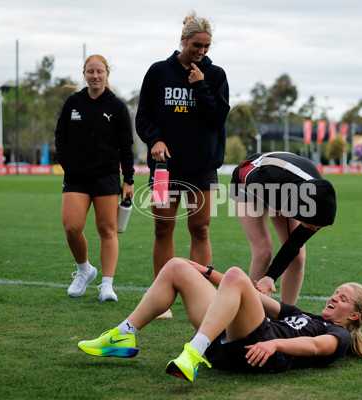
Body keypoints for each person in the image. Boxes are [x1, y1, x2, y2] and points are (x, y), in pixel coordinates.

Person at [77, 257, 362, 381]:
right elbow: (251, 295)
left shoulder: (340, 336)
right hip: (229, 342)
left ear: (355, 315)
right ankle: (123, 334)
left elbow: (318, 347)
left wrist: (275, 345)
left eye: (342, 298)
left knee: (237, 275)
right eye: (336, 292)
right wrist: (205, 271)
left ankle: (193, 353)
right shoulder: (306, 315)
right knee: (176, 267)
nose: (333, 298)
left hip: (259, 350)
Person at [135, 11, 230, 317]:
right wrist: (155, 141)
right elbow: (144, 117)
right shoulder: (158, 72)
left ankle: (201, 296)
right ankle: (161, 302)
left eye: (206, 47)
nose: (201, 52)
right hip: (165, 169)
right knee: (162, 230)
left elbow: (217, 118)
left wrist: (200, 85)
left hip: (202, 167)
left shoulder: (215, 76)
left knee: (199, 229)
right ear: (183, 40)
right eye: (196, 46)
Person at [54, 54, 134, 302]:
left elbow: (126, 146)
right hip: (77, 178)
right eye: (90, 71)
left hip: (106, 177)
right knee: (71, 227)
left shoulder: (117, 107)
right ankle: (84, 270)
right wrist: (68, 164)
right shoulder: (73, 102)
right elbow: (60, 137)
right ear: (84, 74)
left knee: (107, 229)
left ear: (107, 74)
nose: (95, 76)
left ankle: (107, 285)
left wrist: (128, 180)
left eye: (99, 71)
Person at [229, 152, 337, 304]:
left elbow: (294, 243)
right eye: (312, 226)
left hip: (287, 191)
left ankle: (287, 316)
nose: (313, 230)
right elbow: (244, 173)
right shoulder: (263, 182)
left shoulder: (320, 199)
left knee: (298, 258)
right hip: (248, 181)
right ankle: (252, 311)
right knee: (263, 251)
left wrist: (270, 276)